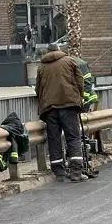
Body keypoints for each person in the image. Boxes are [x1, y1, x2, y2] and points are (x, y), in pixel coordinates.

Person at [35, 43, 87, 182]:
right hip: (68, 105)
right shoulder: (69, 61)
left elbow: (38, 89)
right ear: (59, 50)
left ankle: (59, 172)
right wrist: (79, 97)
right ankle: (76, 171)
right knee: (73, 138)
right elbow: (80, 81)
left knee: (54, 139)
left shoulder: (42, 67)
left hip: (49, 109)